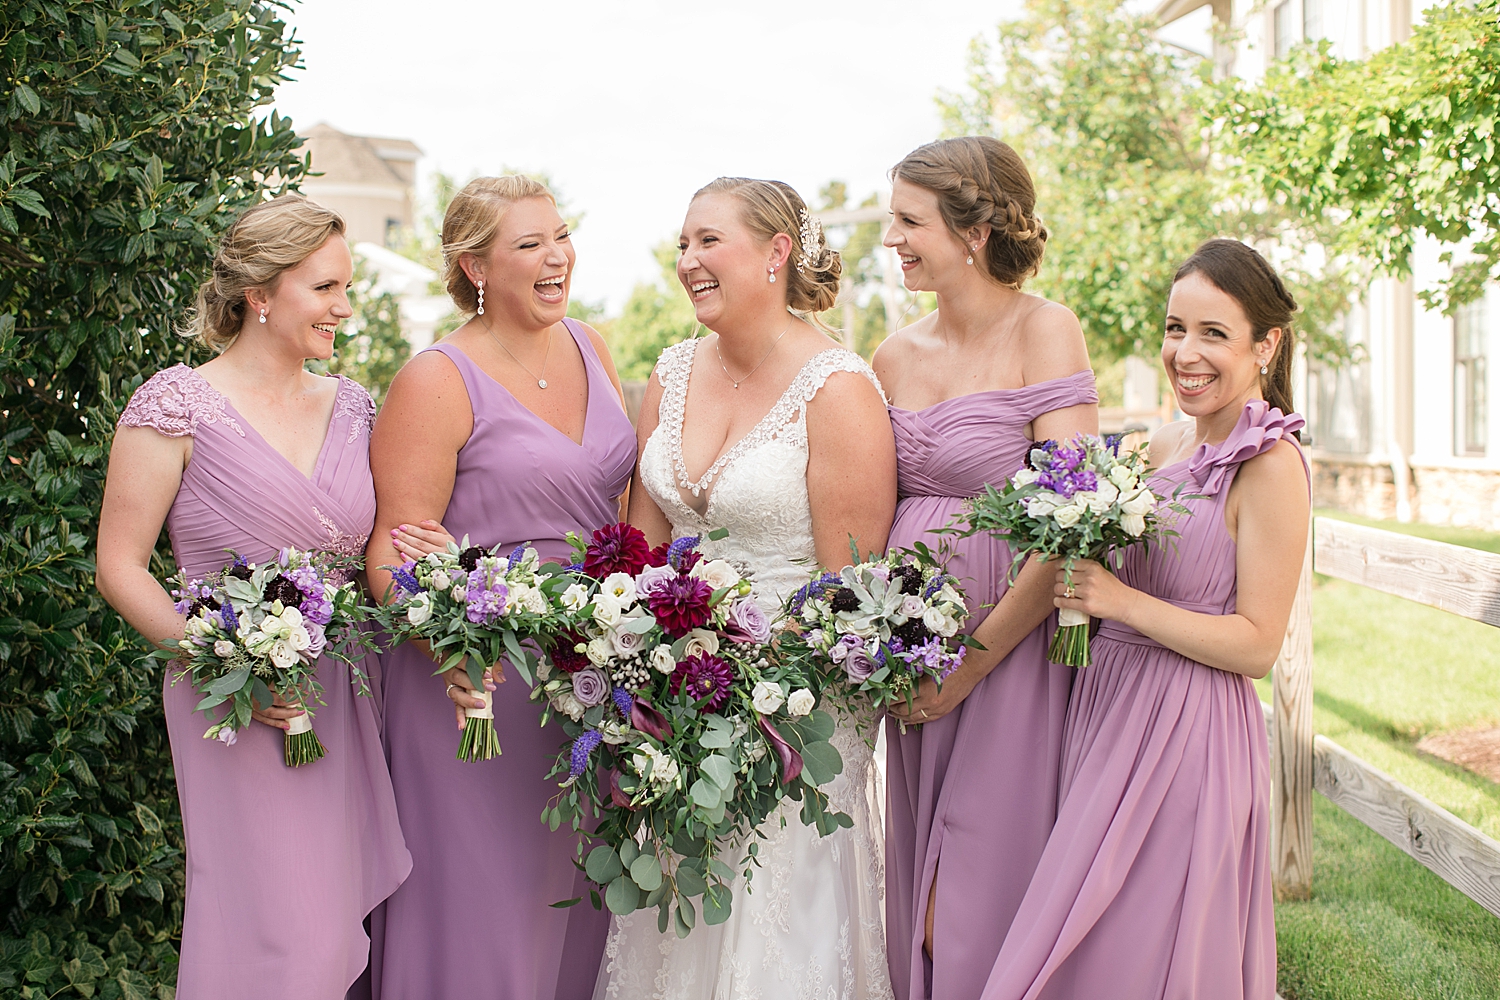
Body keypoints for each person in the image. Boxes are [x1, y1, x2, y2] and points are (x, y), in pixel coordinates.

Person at [96, 195, 411, 999]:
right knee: (279, 932)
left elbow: (378, 550)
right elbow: (120, 567)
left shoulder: (353, 407)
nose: (345, 307)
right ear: (261, 295)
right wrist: (218, 661)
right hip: (234, 701)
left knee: (336, 928)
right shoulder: (173, 406)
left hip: (344, 690)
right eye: (325, 289)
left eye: (346, 287)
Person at [593, 177, 898, 999]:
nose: (687, 260)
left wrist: (753, 685)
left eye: (708, 242)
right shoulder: (672, 370)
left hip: (797, 717)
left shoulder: (838, 391)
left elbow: (849, 591)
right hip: (674, 705)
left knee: (776, 938)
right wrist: (640, 660)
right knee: (675, 928)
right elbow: (641, 549)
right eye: (682, 243)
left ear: (776, 253)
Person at [981, 238, 1304, 1000]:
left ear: (1267, 345)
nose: (1185, 353)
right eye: (1174, 328)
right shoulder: (1162, 443)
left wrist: (1119, 601)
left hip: (1188, 734)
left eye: (1214, 334)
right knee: (1083, 935)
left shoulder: (1270, 466)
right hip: (1110, 710)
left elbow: (1258, 644)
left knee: (1135, 947)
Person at [362, 176, 635, 1000]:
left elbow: (616, 506)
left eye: (560, 235)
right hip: (477, 687)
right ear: (475, 265)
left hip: (586, 678)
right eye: (529, 245)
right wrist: (443, 645)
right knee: (483, 914)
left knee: (578, 904)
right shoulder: (436, 379)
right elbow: (390, 550)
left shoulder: (591, 343)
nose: (557, 257)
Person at [873, 136, 1097, 1000]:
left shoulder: (1045, 329)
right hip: (909, 661)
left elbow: (1073, 522)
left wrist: (973, 662)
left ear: (972, 230)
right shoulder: (892, 356)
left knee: (970, 898)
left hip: (1010, 657)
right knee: (919, 896)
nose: (891, 237)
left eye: (907, 220)